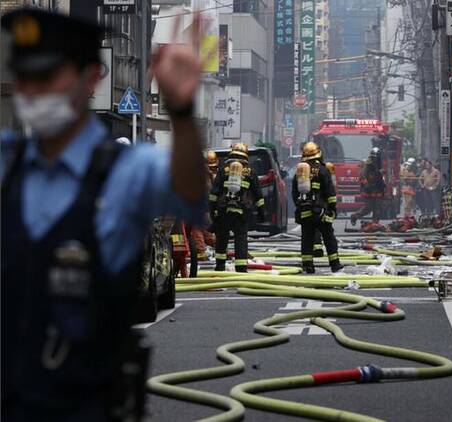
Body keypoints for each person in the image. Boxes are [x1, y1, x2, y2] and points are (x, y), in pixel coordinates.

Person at [1, 8, 206, 421]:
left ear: (90, 78)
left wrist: (181, 112)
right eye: (24, 79)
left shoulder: (127, 170)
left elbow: (189, 196)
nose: (33, 92)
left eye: (48, 77)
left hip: (87, 406)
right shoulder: (8, 164)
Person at [211, 143, 266, 272]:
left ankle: (220, 266)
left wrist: (212, 209)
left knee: (222, 237)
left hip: (223, 210)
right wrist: (261, 212)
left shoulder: (223, 170)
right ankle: (241, 267)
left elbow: (214, 193)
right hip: (242, 210)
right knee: (240, 238)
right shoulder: (250, 171)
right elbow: (258, 195)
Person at [292, 141, 343, 274]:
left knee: (307, 238)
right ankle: (335, 264)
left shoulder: (300, 171)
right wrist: (332, 208)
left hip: (305, 211)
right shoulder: (322, 169)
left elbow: (294, 192)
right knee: (328, 237)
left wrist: (299, 206)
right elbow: (329, 191)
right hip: (320, 212)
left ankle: (308, 265)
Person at [350, 147, 386, 226]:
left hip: (378, 189)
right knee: (368, 208)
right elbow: (362, 176)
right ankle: (354, 216)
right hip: (369, 190)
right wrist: (367, 186)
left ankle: (375, 224)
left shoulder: (379, 165)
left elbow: (380, 176)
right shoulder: (368, 165)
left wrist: (382, 180)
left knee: (377, 207)